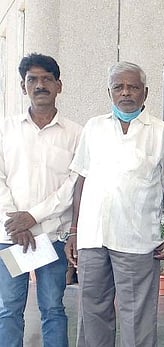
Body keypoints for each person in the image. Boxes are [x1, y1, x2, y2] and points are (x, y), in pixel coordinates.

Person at [65, 61, 164, 347]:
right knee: (92, 312)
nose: (125, 93)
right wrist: (75, 229)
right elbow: (81, 180)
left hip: (137, 239)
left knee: (137, 317)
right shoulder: (94, 127)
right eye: (119, 87)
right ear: (109, 92)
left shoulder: (162, 132)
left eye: (133, 87)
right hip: (93, 238)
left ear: (146, 92)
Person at [0, 53, 80, 347]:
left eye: (47, 79)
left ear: (59, 86)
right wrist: (16, 222)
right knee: (8, 309)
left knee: (53, 308)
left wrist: (32, 217)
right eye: (32, 79)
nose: (40, 85)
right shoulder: (5, 129)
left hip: (53, 236)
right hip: (10, 237)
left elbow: (73, 184)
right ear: (23, 87)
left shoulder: (75, 134)